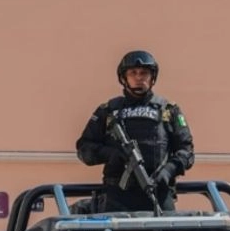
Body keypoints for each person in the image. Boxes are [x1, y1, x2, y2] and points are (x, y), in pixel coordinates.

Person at [76, 50, 195, 212]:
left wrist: (168, 171)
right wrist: (110, 154)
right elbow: (84, 149)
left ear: (152, 77)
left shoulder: (169, 110)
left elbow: (186, 151)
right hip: (118, 198)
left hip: (158, 194)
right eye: (133, 73)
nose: (139, 78)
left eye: (144, 73)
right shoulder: (108, 110)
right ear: (124, 78)